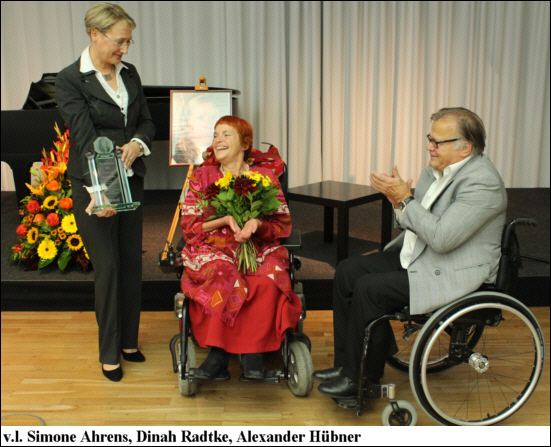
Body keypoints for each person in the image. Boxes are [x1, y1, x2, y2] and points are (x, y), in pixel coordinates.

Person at [314, 107, 507, 399]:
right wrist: (398, 201)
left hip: (452, 268)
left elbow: (441, 238)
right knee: (347, 271)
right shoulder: (434, 171)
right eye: (430, 138)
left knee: (369, 289)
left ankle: (362, 379)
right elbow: (415, 221)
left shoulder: (483, 183)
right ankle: (346, 366)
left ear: (465, 147)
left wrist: (404, 198)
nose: (430, 146)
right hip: (422, 254)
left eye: (438, 142)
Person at [55, 3, 156, 382]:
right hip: (94, 186)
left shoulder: (129, 73)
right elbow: (83, 138)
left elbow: (146, 119)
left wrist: (137, 143)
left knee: (130, 261)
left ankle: (129, 340)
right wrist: (104, 191)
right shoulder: (69, 80)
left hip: (133, 177)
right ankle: (110, 352)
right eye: (120, 41)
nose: (125, 50)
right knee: (109, 267)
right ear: (95, 35)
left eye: (129, 41)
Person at [179, 116, 302, 380]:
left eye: (226, 135)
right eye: (215, 135)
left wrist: (257, 223)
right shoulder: (203, 176)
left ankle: (253, 354)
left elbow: (281, 224)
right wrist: (224, 220)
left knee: (269, 279)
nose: (218, 140)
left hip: (258, 247)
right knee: (223, 274)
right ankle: (218, 354)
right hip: (212, 248)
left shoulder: (265, 176)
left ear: (245, 143)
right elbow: (189, 225)